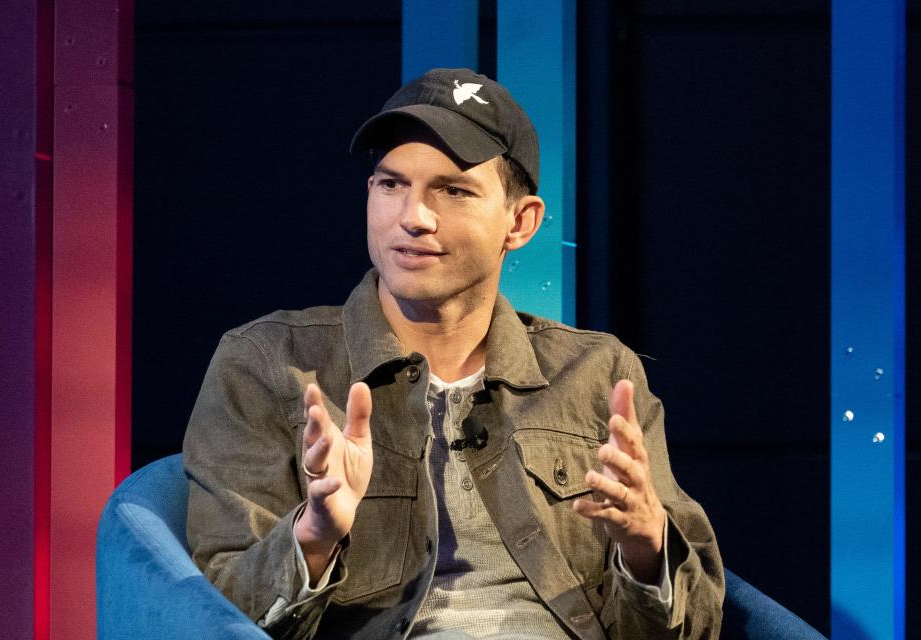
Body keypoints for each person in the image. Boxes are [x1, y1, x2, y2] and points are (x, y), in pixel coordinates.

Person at [183, 68, 724, 640]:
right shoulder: (269, 364)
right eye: (391, 184)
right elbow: (209, 612)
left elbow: (701, 622)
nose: (413, 216)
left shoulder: (597, 375)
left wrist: (646, 549)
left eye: (454, 190)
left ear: (520, 222)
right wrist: (313, 536)